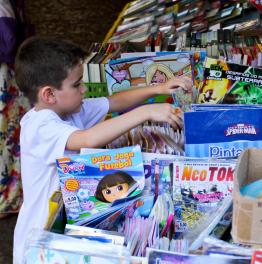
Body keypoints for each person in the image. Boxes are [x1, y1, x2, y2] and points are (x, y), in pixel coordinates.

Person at [12, 36, 192, 264]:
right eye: (77, 85)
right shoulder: (40, 125)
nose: (84, 89)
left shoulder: (71, 110)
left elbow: (114, 101)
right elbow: (87, 139)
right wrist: (146, 112)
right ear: (49, 94)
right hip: (40, 241)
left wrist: (159, 88)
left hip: (64, 230)